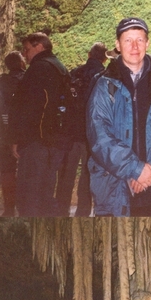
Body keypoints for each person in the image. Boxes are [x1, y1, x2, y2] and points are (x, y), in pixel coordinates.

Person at [86, 17, 151, 216]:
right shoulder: (103, 85)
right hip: (116, 189)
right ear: (117, 45)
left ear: (147, 43)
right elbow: (99, 135)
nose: (134, 46)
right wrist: (135, 169)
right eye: (128, 40)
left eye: (139, 40)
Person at [10, 32, 70, 217]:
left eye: (27, 49)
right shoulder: (60, 67)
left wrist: (16, 139)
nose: (25, 54)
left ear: (39, 46)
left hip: (37, 142)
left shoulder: (38, 69)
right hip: (56, 142)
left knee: (28, 198)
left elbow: (26, 108)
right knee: (45, 194)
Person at [56, 42, 108, 216]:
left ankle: (61, 210)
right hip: (91, 135)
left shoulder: (75, 72)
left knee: (66, 173)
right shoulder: (104, 76)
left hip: (70, 131)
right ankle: (83, 212)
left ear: (88, 54)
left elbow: (62, 98)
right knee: (87, 174)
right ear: (104, 58)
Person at [0, 51, 26, 215]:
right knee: (24, 170)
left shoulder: (1, 82)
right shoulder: (27, 79)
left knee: (7, 171)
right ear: (21, 63)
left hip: (4, 134)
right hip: (23, 134)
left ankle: (9, 207)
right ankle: (23, 206)